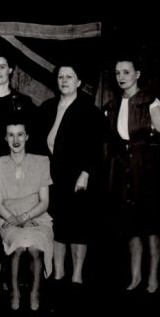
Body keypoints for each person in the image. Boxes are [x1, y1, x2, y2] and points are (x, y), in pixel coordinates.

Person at [104, 54, 160, 293]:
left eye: (125, 72)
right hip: (123, 172)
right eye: (117, 73)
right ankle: (135, 277)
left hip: (147, 172)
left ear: (137, 75)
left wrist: (153, 166)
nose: (121, 77)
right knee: (129, 225)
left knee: (151, 225)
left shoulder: (149, 101)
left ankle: (153, 277)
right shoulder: (111, 106)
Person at [37, 62, 104, 287]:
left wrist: (86, 173)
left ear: (79, 82)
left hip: (77, 178)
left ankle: (76, 276)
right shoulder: (47, 107)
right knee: (57, 226)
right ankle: (58, 274)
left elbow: (95, 146)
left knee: (78, 226)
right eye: (60, 77)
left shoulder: (88, 109)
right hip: (52, 176)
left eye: (69, 77)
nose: (64, 81)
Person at [0, 119, 53, 311]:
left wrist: (25, 218)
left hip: (37, 217)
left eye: (20, 134)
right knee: (18, 247)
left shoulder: (42, 161)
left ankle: (35, 293)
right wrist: (16, 220)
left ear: (27, 137)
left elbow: (44, 202)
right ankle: (15, 292)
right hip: (7, 218)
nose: (16, 139)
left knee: (35, 248)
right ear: (5, 138)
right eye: (11, 135)